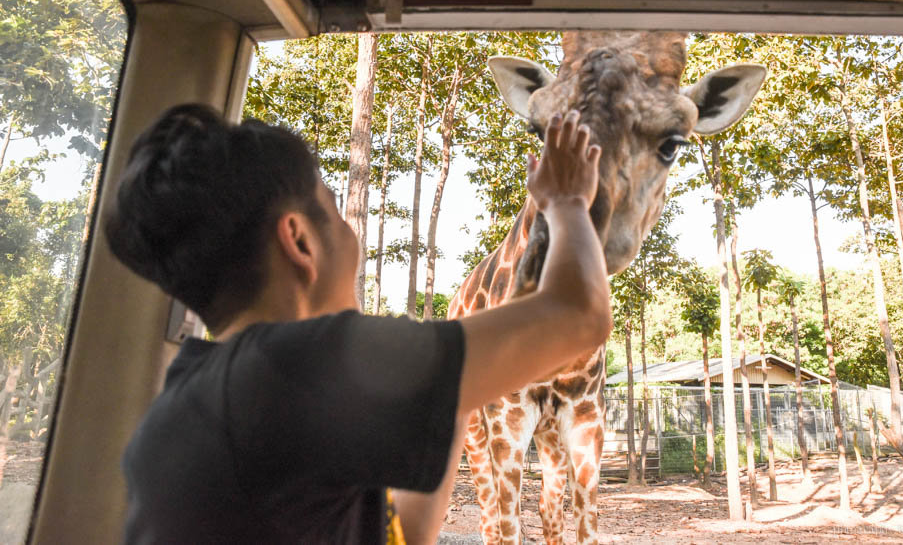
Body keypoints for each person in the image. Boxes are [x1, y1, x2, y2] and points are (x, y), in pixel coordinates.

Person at [105, 102, 611, 544]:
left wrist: (460, 389)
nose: (354, 238)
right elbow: (580, 317)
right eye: (336, 213)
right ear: (300, 241)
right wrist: (566, 202)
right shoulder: (296, 365)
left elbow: (404, 536)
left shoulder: (200, 396)